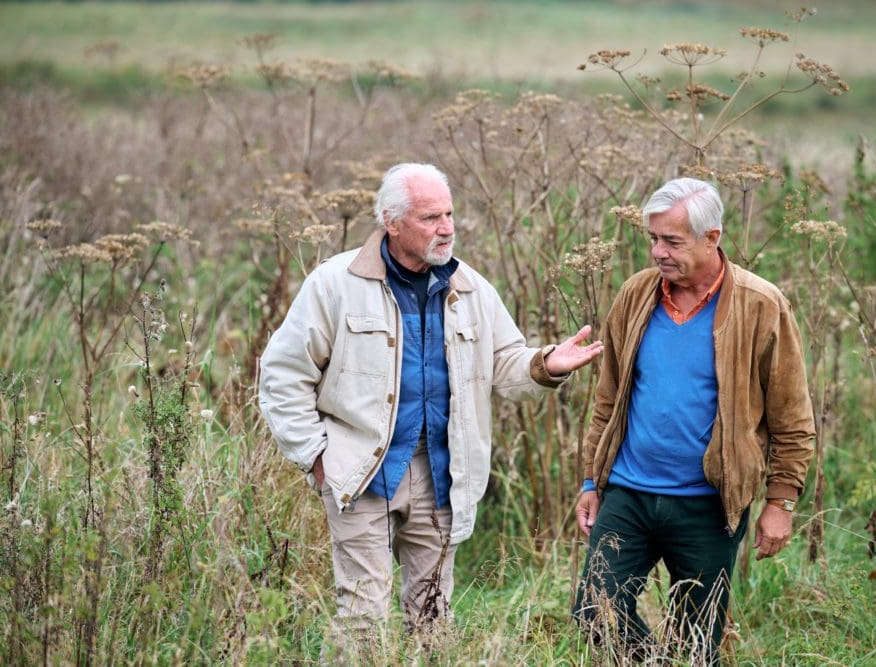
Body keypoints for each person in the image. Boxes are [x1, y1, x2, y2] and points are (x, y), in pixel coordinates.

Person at [258, 162, 603, 654]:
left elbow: (505, 362)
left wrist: (547, 364)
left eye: (449, 214)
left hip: (443, 472)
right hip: (359, 471)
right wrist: (317, 458)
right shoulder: (335, 283)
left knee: (432, 618)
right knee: (363, 618)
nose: (447, 228)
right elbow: (282, 375)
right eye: (430, 218)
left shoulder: (471, 287)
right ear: (391, 222)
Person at [571, 177, 815, 663]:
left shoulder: (761, 305)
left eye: (672, 241)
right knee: (594, 611)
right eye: (654, 239)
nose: (658, 252)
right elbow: (608, 397)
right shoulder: (637, 294)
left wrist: (781, 502)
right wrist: (590, 480)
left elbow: (792, 417)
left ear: (712, 238)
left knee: (697, 644)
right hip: (629, 494)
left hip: (708, 505)